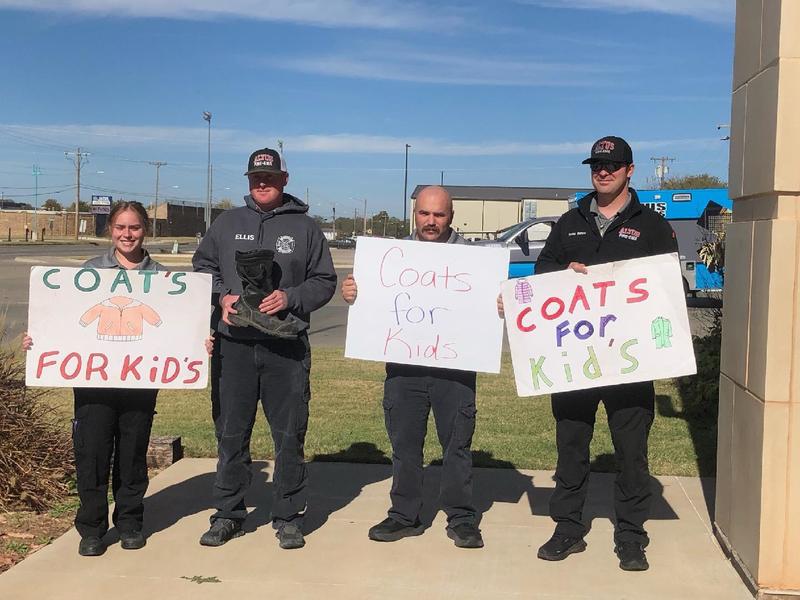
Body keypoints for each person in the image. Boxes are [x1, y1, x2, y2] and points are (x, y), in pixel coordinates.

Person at [533, 136, 678, 571]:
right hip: (576, 360)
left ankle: (631, 535)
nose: (603, 171)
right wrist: (564, 274)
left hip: (630, 361)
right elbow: (542, 273)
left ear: (629, 170)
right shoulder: (570, 221)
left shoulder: (650, 225)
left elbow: (672, 288)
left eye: (612, 164)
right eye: (596, 164)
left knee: (631, 451)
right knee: (571, 445)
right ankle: (568, 529)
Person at [193, 147, 336, 550]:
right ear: (248, 179)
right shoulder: (226, 223)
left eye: (269, 177)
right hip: (233, 347)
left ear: (284, 180)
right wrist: (220, 297)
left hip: (285, 348)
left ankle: (288, 516)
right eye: (256, 177)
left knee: (289, 435)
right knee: (230, 434)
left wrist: (289, 297)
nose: (262, 183)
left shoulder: (305, 227)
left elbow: (323, 281)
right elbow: (204, 268)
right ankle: (228, 513)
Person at [23, 201, 170, 557]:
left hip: (139, 381)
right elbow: (67, 320)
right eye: (120, 227)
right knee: (92, 453)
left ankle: (130, 521)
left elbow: (172, 326)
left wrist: (198, 343)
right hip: (93, 382)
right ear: (110, 230)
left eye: (134, 227)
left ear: (144, 230)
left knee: (133, 454)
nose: (127, 234)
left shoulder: (164, 278)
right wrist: (38, 338)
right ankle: (91, 527)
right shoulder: (89, 273)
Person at [341, 185, 484, 549]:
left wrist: (496, 302)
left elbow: (488, 308)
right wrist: (354, 293)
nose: (431, 221)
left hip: (455, 370)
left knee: (456, 445)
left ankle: (462, 518)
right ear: (414, 214)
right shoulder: (390, 257)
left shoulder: (473, 260)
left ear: (450, 216)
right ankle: (404, 515)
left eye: (439, 214)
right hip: (404, 370)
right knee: (405, 445)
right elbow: (370, 304)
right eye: (424, 213)